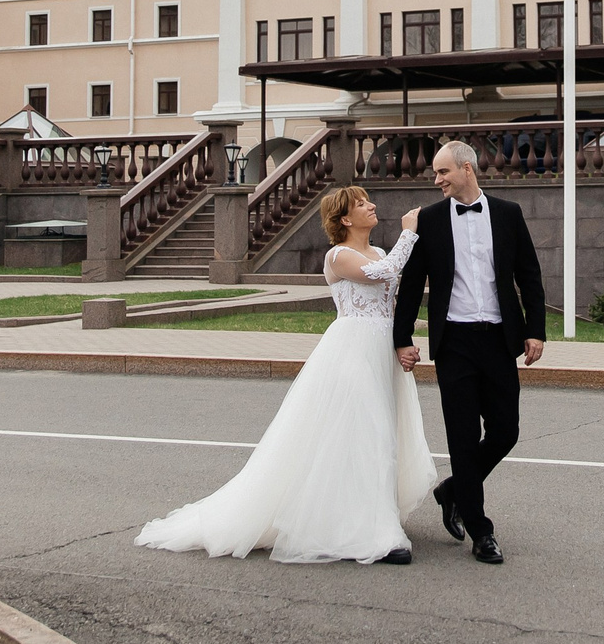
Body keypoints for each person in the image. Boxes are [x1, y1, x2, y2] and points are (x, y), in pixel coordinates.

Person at [136, 186, 435, 565]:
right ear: (345, 219)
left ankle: (371, 515)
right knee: (365, 430)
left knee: (382, 433)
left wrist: (402, 342)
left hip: (380, 350)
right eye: (362, 204)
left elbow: (389, 301)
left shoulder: (377, 250)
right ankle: (372, 533)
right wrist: (409, 232)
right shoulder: (338, 256)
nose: (372, 205)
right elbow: (386, 273)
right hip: (352, 352)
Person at [392, 140, 546, 565]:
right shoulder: (429, 220)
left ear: (466, 169)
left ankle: (452, 490)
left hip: (499, 339)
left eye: (443, 172)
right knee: (462, 436)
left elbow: (529, 275)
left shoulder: (509, 214)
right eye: (435, 174)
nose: (437, 180)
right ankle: (481, 531)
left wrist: (536, 331)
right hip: (454, 342)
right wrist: (402, 338)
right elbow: (412, 285)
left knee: (505, 431)